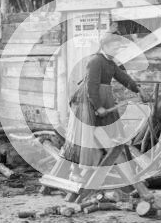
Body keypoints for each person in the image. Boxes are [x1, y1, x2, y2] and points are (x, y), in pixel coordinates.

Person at [62, 32, 146, 167]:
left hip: (104, 99)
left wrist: (137, 88)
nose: (116, 51)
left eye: (118, 48)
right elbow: (91, 87)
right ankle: (77, 169)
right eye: (114, 48)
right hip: (88, 102)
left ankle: (101, 166)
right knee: (86, 136)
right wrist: (98, 106)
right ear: (104, 46)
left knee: (107, 133)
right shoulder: (95, 61)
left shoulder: (110, 63)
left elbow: (123, 78)